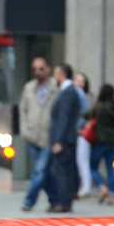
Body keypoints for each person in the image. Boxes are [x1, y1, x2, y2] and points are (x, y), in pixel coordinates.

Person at [19, 56, 56, 211]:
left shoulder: (55, 87)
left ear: (47, 69)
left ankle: (29, 201)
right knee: (42, 173)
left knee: (39, 171)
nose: (37, 72)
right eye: (34, 69)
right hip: (32, 137)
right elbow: (23, 110)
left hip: (48, 137)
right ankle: (54, 200)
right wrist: (24, 130)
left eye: (41, 68)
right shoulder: (29, 87)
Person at [46, 63, 81, 212]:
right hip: (67, 138)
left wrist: (58, 140)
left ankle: (63, 202)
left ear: (61, 74)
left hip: (64, 140)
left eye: (56, 73)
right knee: (64, 170)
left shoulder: (68, 92)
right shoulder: (68, 91)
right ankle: (64, 201)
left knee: (61, 171)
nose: (55, 76)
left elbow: (63, 118)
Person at [87, 83, 114, 204]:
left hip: (100, 140)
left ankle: (102, 187)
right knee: (111, 168)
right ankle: (112, 195)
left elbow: (86, 115)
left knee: (93, 167)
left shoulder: (98, 106)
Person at [74, 71, 93, 198]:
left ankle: (86, 187)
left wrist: (79, 127)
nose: (78, 83)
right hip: (81, 133)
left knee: (82, 160)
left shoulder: (83, 96)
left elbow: (85, 115)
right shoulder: (80, 95)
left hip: (83, 134)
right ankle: (84, 186)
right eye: (77, 80)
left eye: (81, 81)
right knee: (81, 160)